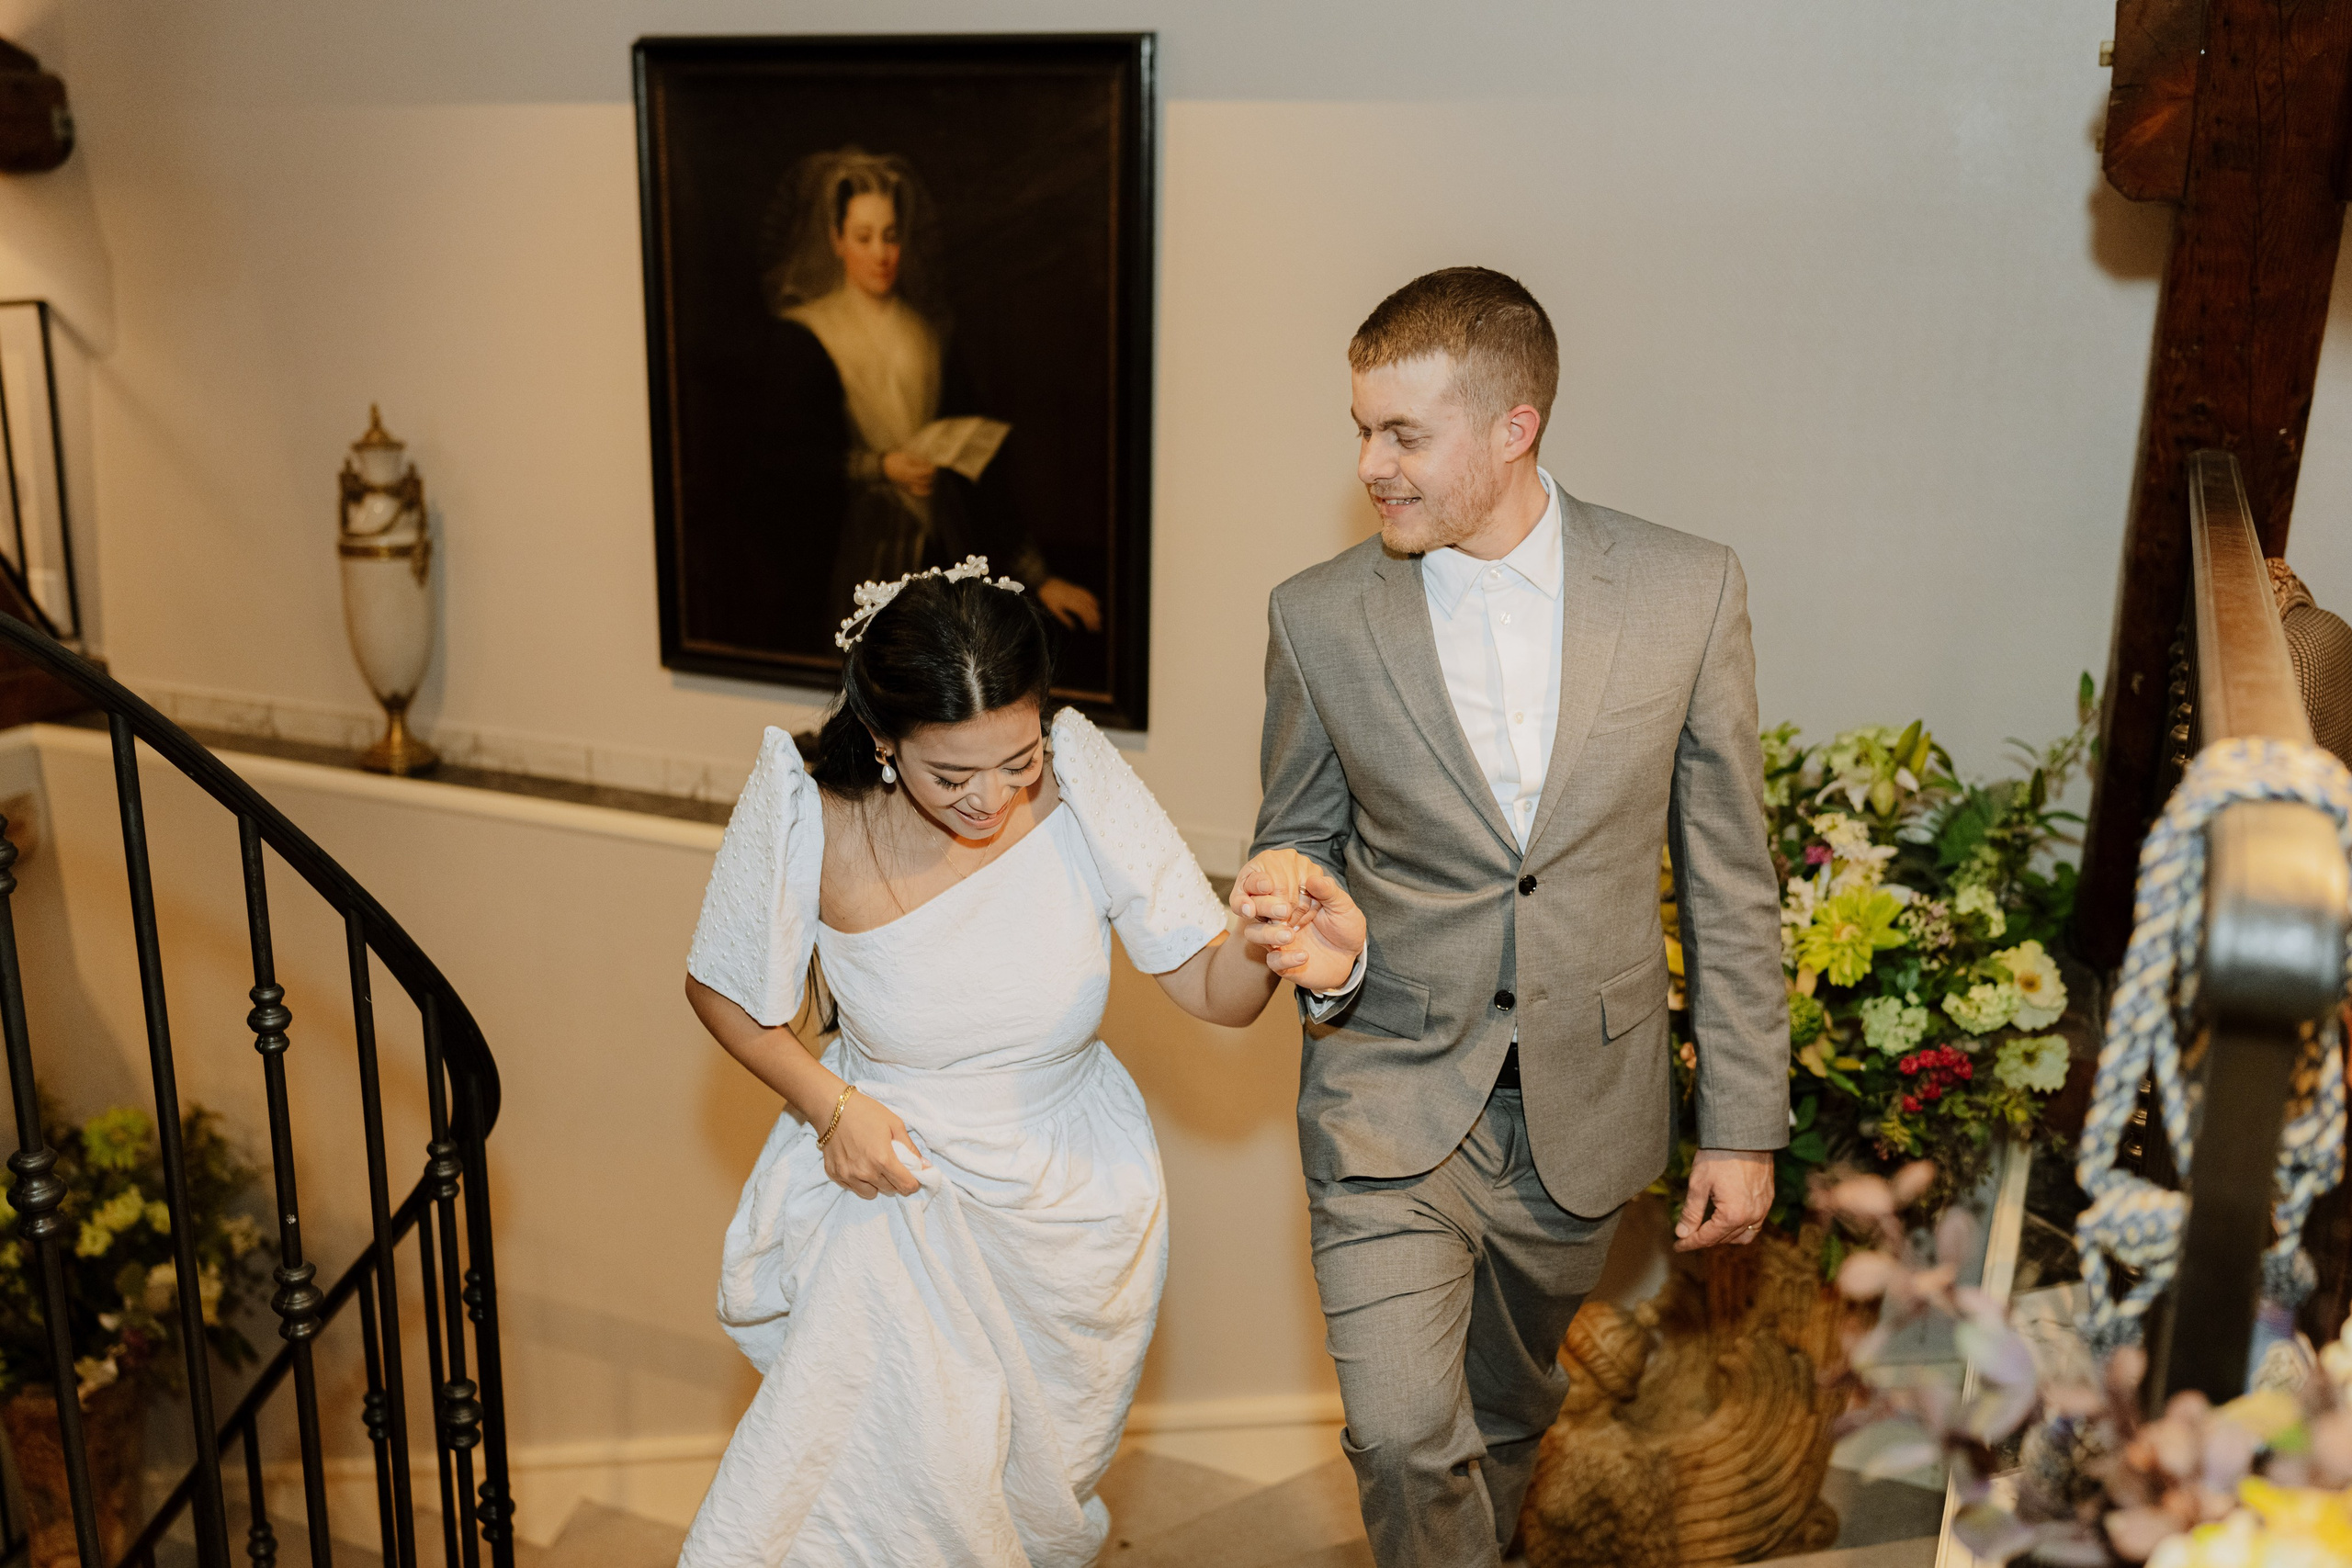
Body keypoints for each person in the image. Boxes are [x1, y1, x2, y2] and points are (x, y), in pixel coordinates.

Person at [1233, 267, 1791, 1566]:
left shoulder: (1687, 591)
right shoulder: (1315, 619)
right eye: (1361, 429)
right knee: (1398, 1428)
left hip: (1582, 1107)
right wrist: (1306, 930)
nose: (1371, 462)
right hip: (1384, 1084)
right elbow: (1297, 838)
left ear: (1513, 426)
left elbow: (1728, 873)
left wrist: (1745, 1120)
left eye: (1403, 433)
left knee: (1502, 1404)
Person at [677, 558, 1363, 1567]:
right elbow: (722, 990)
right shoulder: (808, 809)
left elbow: (1211, 991)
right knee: (874, 1506)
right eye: (952, 774)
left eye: (1017, 761)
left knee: (1010, 1507)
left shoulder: (1083, 779)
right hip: (894, 1194)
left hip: (1070, 1204)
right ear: (882, 739)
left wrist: (1270, 948)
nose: (990, 796)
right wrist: (831, 1107)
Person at [761, 148, 1102, 636]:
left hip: (936, 556)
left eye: (891, 236)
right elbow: (782, 464)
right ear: (835, 240)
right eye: (864, 237)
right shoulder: (806, 334)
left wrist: (1038, 577)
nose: (881, 253)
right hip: (848, 560)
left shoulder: (925, 334)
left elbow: (983, 478)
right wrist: (879, 467)